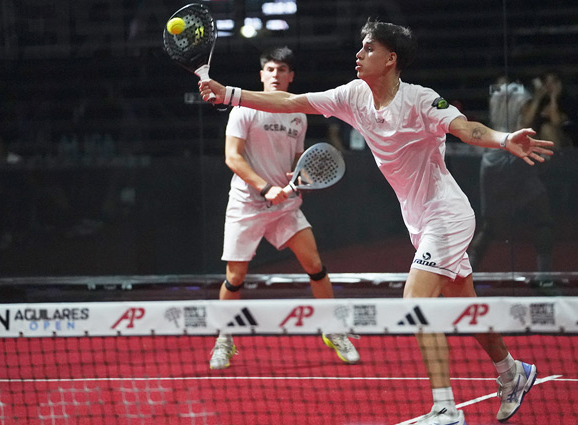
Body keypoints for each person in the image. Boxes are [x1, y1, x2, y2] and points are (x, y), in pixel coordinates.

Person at [200, 21, 552, 425]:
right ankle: (512, 372)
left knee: (416, 304)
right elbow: (293, 103)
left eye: (368, 49)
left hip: (447, 214)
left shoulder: (421, 100)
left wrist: (505, 139)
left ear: (390, 59)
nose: (359, 54)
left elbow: (466, 129)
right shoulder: (353, 96)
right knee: (465, 307)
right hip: (419, 220)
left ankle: (444, 409)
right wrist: (229, 94)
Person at [209, 46, 360, 370]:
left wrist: (296, 174)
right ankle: (224, 339)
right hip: (247, 203)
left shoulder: (298, 115)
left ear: (291, 77)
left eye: (282, 70)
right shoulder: (243, 109)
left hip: (285, 206)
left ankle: (333, 329)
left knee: (315, 264)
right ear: (261, 75)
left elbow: (295, 158)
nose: (276, 75)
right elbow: (232, 157)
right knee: (235, 277)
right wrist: (265, 187)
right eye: (270, 70)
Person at [468, 76, 555, 284]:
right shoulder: (520, 93)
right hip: (513, 157)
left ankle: (466, 275)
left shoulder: (495, 95)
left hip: (491, 159)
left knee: (490, 227)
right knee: (543, 219)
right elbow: (525, 123)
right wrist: (539, 97)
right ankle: (544, 279)